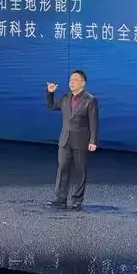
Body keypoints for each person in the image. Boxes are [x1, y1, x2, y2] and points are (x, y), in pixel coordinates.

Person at [45, 70, 99, 210]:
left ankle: (76, 199)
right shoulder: (65, 97)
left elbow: (93, 122)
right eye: (70, 79)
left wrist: (93, 140)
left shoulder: (90, 100)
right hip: (65, 139)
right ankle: (60, 198)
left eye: (75, 79)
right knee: (62, 168)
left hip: (80, 140)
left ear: (83, 83)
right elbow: (51, 106)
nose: (72, 82)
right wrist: (50, 93)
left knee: (80, 170)